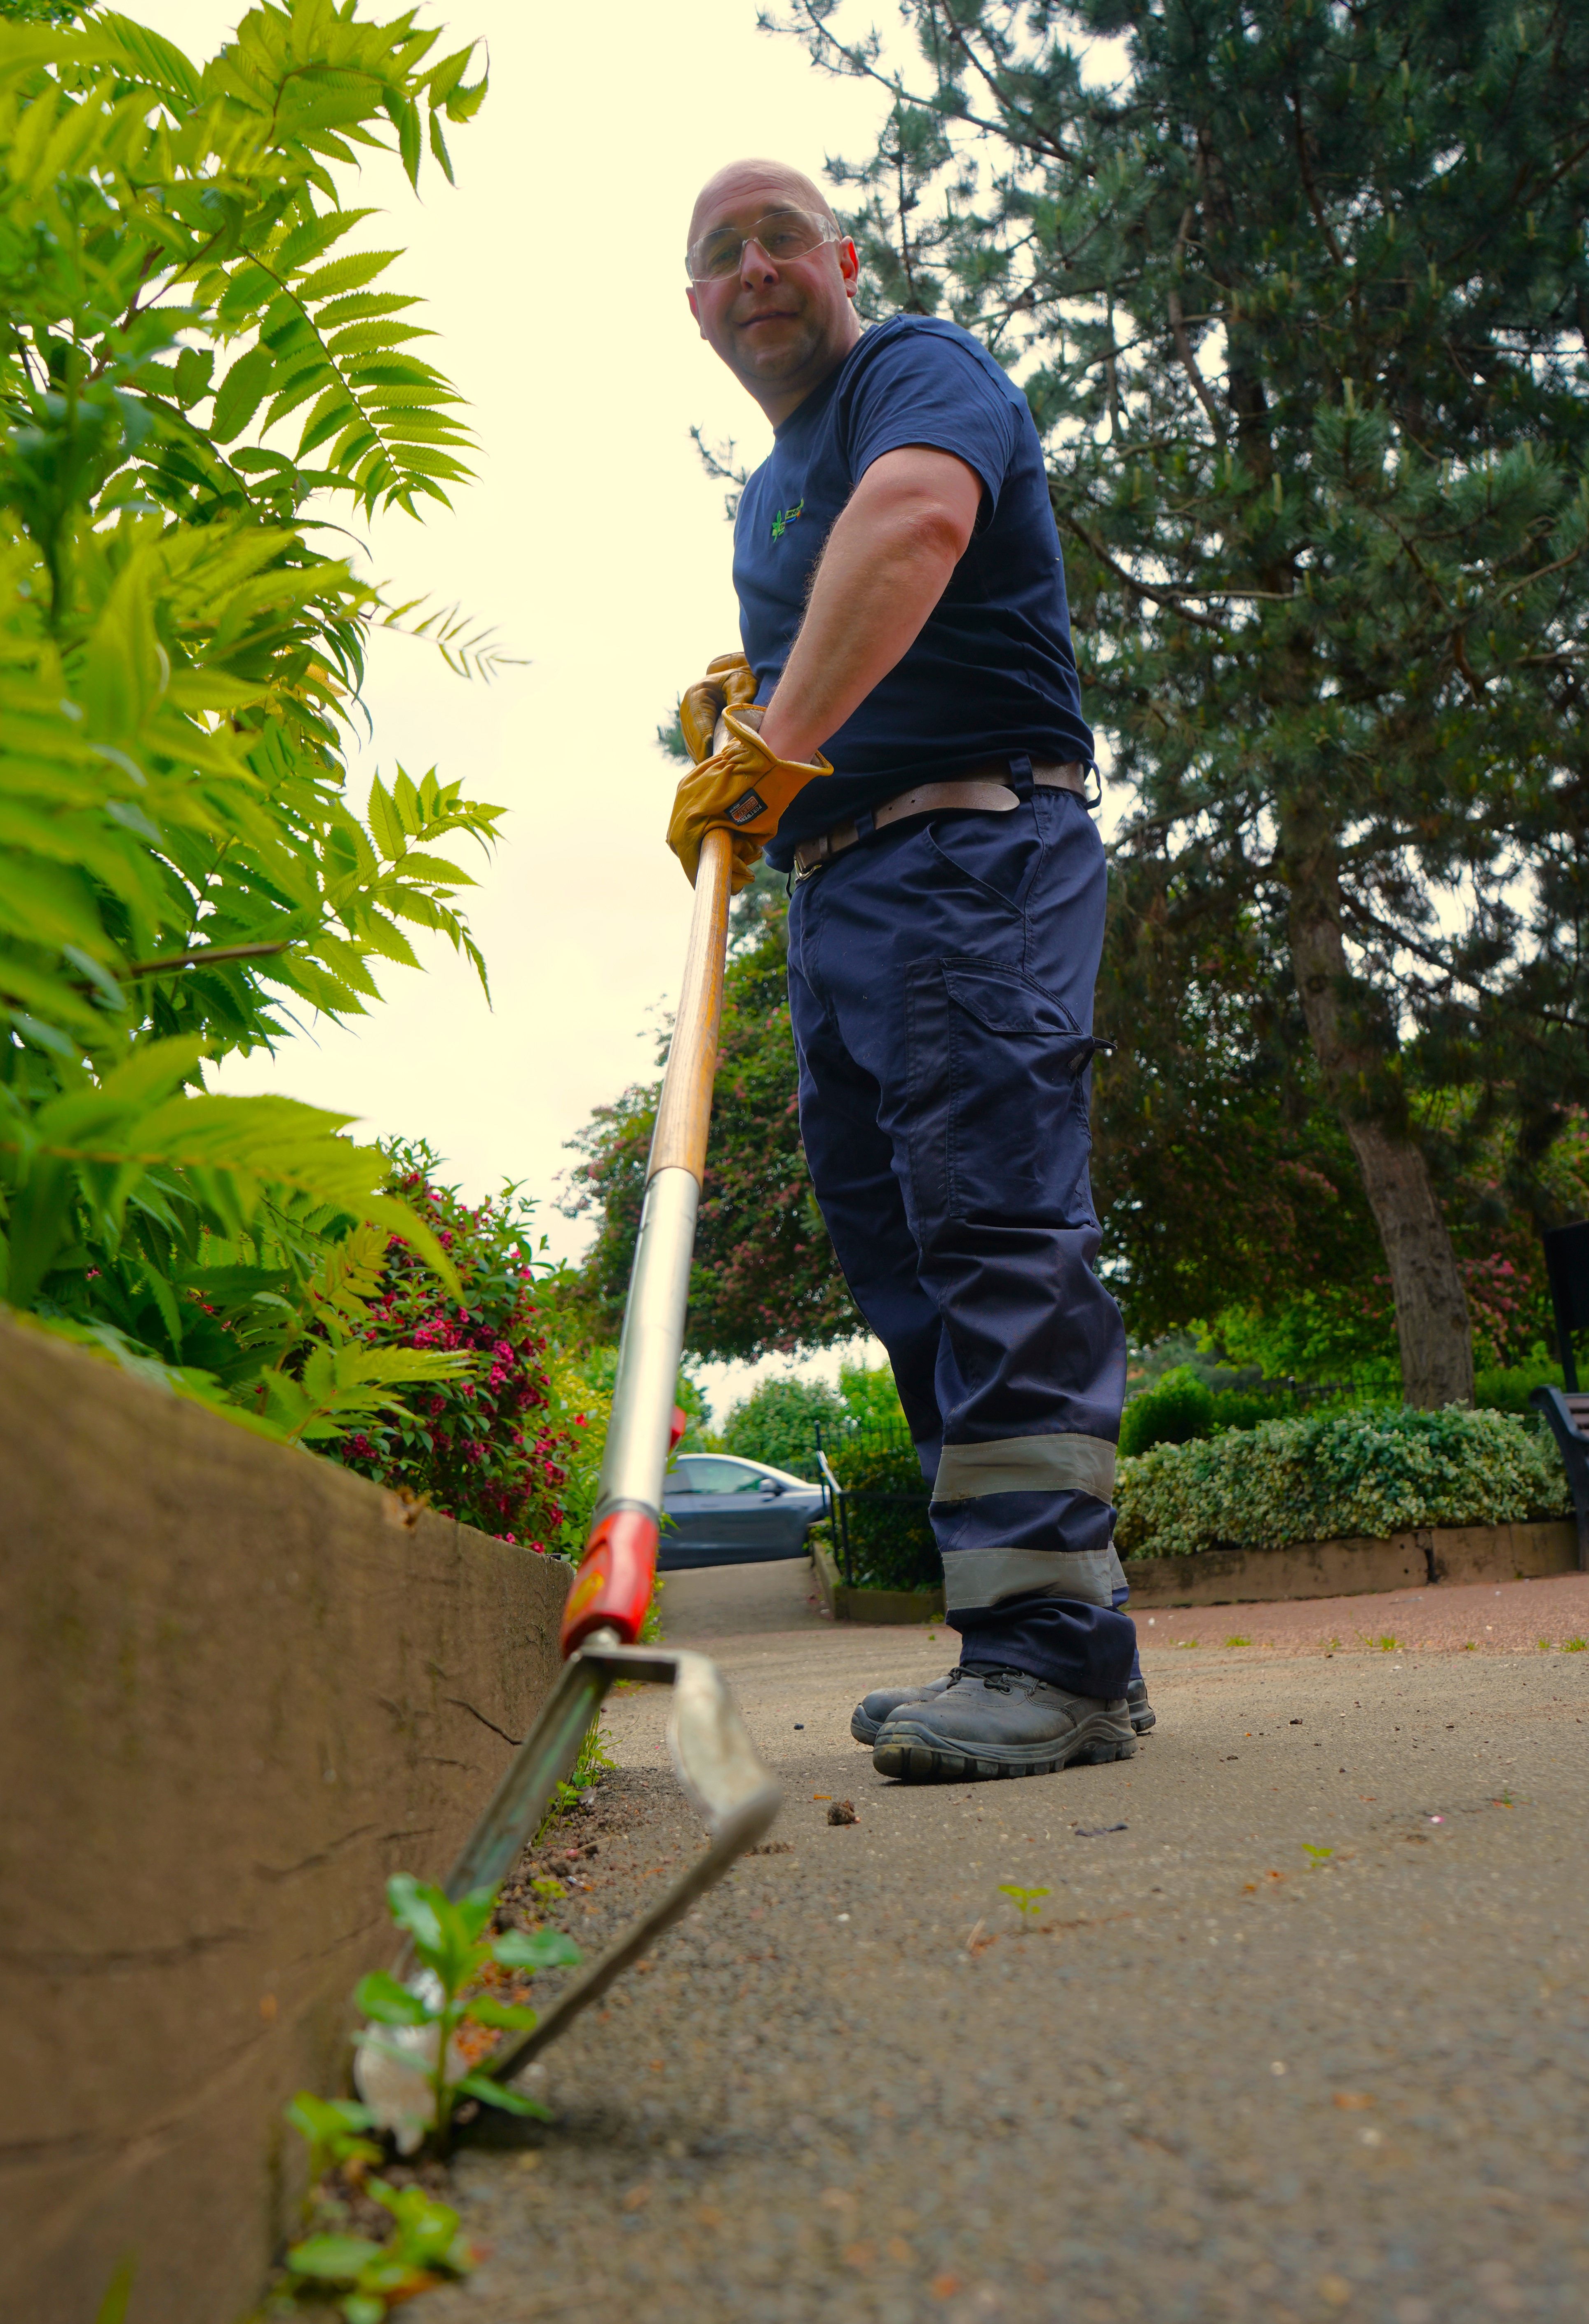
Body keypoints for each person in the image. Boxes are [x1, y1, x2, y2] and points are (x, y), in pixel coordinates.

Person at [670, 159, 1153, 1783]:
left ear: (844, 260)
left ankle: (1047, 1663)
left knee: (991, 1226)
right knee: (907, 1262)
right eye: (717, 255)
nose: (752, 269)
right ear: (693, 306)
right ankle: (1046, 1639)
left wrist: (774, 743)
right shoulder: (770, 488)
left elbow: (919, 521)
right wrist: (751, 706)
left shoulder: (913, 374)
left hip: (966, 855)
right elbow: (816, 648)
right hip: (843, 892)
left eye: (778, 239)